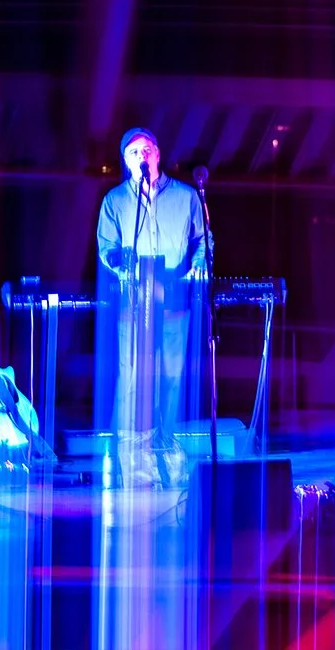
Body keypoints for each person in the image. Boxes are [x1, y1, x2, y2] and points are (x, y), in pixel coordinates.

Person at [95, 128, 211, 486]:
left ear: (158, 154)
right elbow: (106, 248)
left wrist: (197, 266)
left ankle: (166, 450)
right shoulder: (115, 201)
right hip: (135, 306)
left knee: (171, 377)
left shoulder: (186, 197)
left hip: (174, 302)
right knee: (133, 379)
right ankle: (133, 459)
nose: (140, 156)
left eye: (145, 149)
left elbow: (202, 240)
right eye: (132, 153)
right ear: (125, 161)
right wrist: (123, 264)